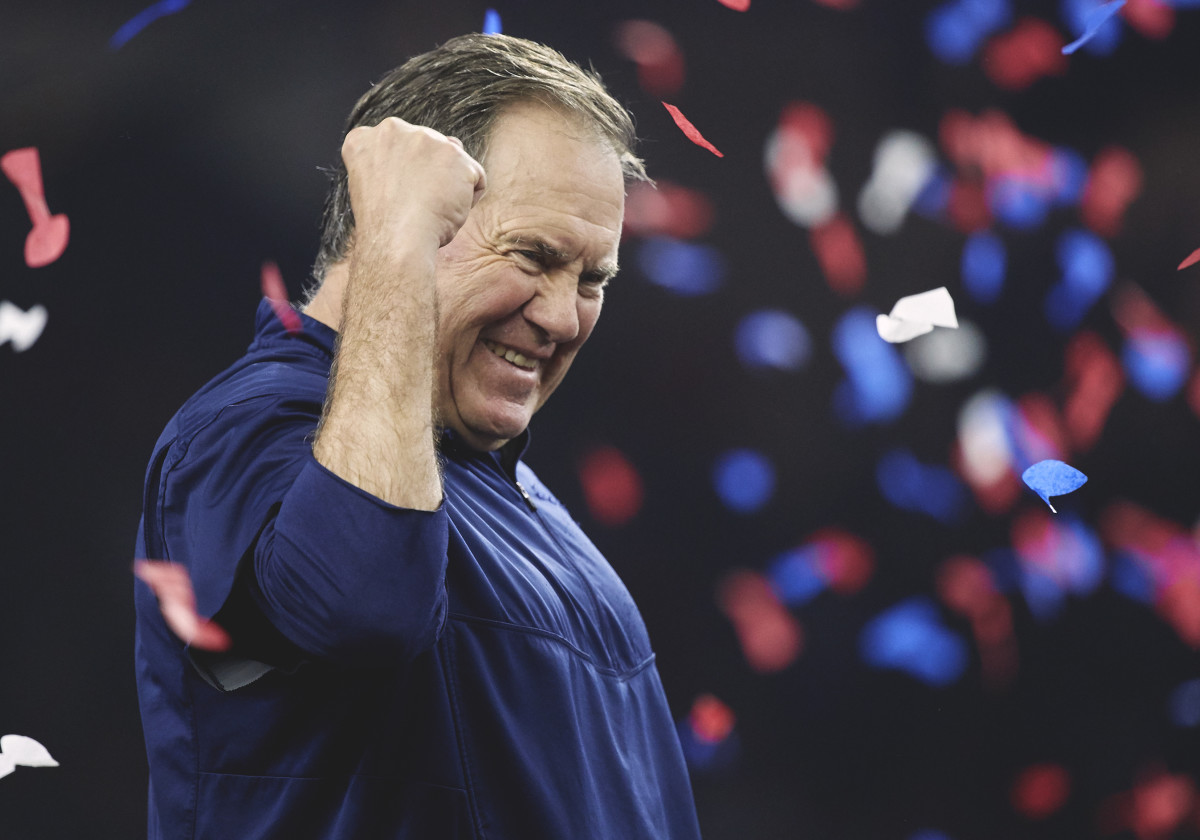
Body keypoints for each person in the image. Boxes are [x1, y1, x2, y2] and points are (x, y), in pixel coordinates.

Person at [133, 32, 703, 840]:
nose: (562, 315)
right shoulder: (245, 429)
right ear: (400, 220)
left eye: (592, 280)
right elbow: (361, 604)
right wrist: (393, 243)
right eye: (534, 255)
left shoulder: (515, 498)